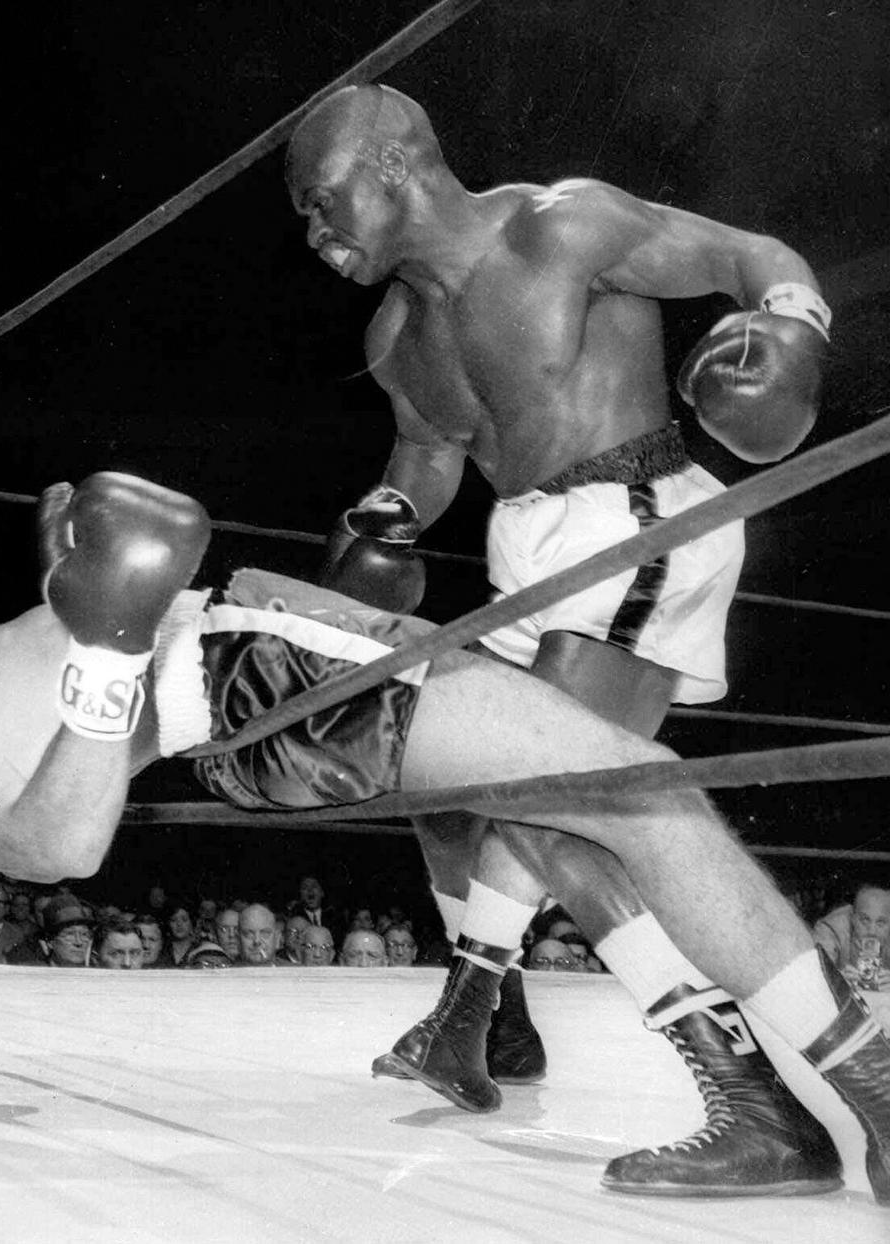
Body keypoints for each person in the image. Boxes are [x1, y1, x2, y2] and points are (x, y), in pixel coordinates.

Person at [0, 471, 889, 1204]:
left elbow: (37, 755)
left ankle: (744, 1102)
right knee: (639, 782)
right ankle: (861, 1081)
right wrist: (109, 635)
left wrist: (64, 586)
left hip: (246, 680)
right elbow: (61, 842)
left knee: (555, 800)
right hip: (251, 674)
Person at [286, 82, 837, 1195]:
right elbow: (428, 458)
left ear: (392, 161)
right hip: (522, 560)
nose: (315, 229)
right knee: (435, 783)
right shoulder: (395, 334)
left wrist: (794, 324)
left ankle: (758, 1106)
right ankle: (489, 1028)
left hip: (631, 519)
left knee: (545, 799)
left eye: (322, 197)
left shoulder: (559, 226)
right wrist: (384, 517)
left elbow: (746, 253)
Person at [813, 875, 890, 992]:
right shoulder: (831, 929)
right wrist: (835, 981)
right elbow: (811, 976)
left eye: (881, 923)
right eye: (864, 920)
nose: (872, 931)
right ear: (853, 918)